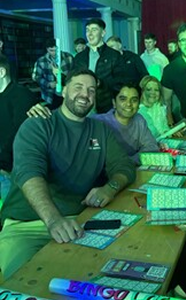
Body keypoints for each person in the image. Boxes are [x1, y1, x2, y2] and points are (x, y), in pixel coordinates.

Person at [0, 69, 136, 279]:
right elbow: (29, 172)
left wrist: (111, 187)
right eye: (78, 87)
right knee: (23, 283)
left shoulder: (100, 130)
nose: (85, 95)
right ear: (64, 90)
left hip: (78, 221)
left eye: (91, 90)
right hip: (26, 224)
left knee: (106, 275)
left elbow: (124, 166)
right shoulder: (38, 124)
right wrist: (53, 220)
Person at [0, 54, 39, 202]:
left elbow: (19, 133)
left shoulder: (22, 96)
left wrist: (3, 163)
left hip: (12, 170)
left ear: (1, 73)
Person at [91, 83, 159, 165]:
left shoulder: (139, 120)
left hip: (131, 170)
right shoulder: (98, 123)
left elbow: (151, 146)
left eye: (134, 100)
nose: (129, 104)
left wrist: (129, 162)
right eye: (123, 99)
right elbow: (94, 156)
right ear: (114, 103)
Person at [74, 18, 125, 113]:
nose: (90, 34)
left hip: (106, 105)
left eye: (94, 30)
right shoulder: (79, 57)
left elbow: (121, 82)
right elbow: (73, 79)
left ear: (103, 33)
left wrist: (101, 84)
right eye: (87, 30)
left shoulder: (114, 56)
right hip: (83, 104)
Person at [32, 38, 74, 106]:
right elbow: (37, 77)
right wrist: (48, 84)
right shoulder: (41, 61)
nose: (54, 53)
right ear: (47, 49)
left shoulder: (68, 58)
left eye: (56, 50)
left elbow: (74, 74)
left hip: (67, 93)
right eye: (51, 50)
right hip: (50, 95)